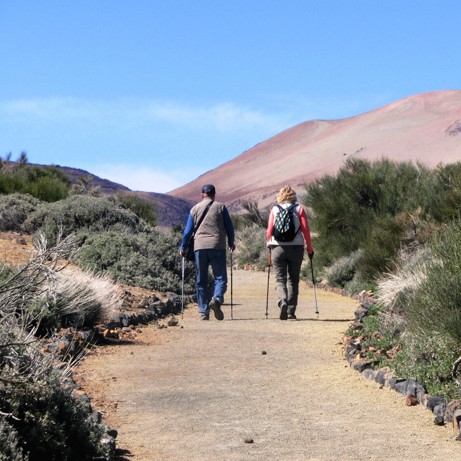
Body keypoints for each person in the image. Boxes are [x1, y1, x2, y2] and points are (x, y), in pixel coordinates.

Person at [179, 184, 236, 320]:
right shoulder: (221, 207)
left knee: (201, 279)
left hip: (199, 247)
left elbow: (187, 232)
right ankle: (216, 299)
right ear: (214, 194)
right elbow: (229, 227)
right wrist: (231, 242)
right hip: (217, 246)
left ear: (202, 194)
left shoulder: (195, 209)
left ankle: (203, 311)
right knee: (220, 277)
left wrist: (183, 247)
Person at [266, 185, 314, 320]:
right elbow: (306, 230)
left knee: (280, 279)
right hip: (296, 248)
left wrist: (268, 244)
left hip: (277, 247)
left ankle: (283, 301)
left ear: (280, 196)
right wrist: (309, 249)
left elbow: (269, 231)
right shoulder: (299, 209)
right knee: (293, 280)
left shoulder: (275, 209)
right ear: (293, 196)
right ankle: (291, 311)